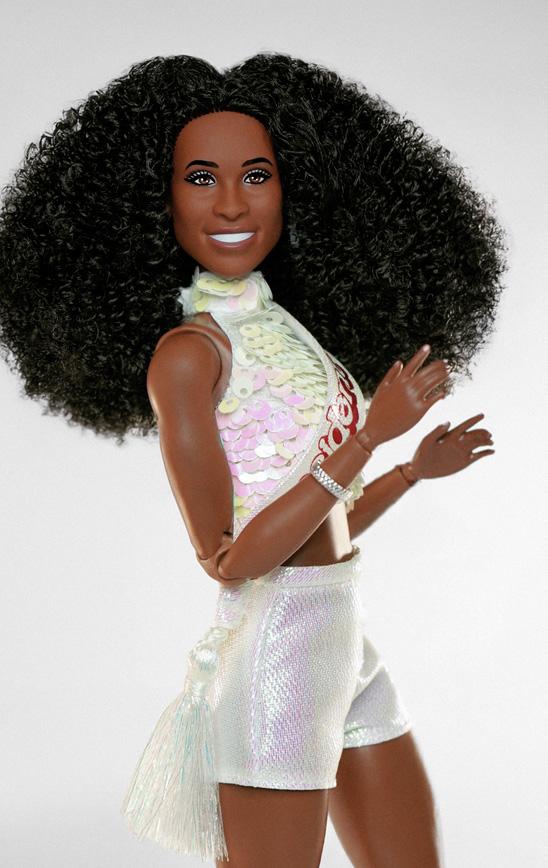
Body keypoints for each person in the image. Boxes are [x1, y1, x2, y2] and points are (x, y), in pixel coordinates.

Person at [0, 55, 504, 868]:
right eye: (201, 178)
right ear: (156, 200)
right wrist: (368, 439)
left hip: (345, 643)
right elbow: (230, 560)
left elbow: (325, 522)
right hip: (277, 661)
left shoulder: (294, 331)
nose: (232, 203)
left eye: (257, 175)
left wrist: (409, 471)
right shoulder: (189, 356)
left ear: (295, 188)